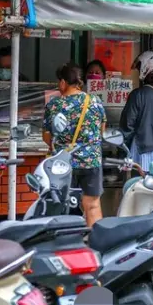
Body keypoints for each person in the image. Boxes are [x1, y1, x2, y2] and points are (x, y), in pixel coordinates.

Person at [43, 63, 106, 227]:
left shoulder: (54, 105)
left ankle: (67, 244)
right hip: (90, 162)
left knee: (63, 206)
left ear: (63, 82)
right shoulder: (95, 101)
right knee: (92, 205)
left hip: (62, 165)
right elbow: (101, 130)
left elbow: (46, 136)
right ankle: (95, 243)